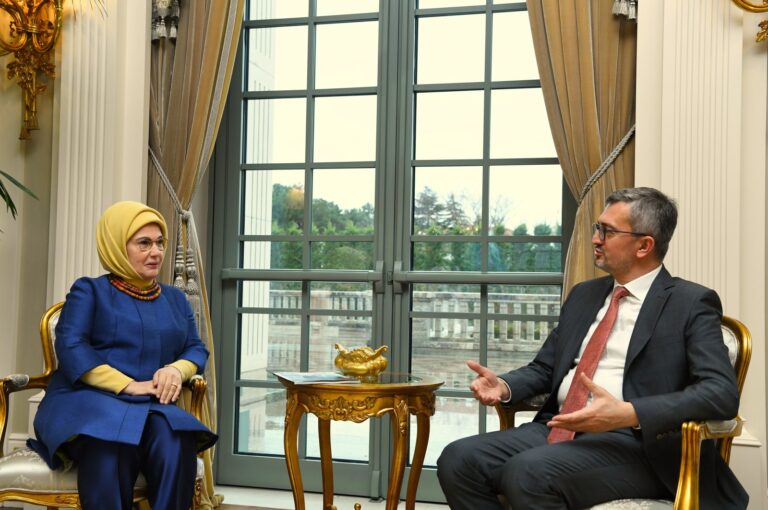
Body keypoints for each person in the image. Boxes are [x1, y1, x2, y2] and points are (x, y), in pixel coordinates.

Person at [436, 187, 748, 509]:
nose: (596, 239)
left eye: (607, 231)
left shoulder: (690, 302)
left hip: (639, 446)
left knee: (528, 473)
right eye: (598, 228)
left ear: (644, 245)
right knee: (459, 460)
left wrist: (630, 413)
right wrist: (504, 386)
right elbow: (546, 368)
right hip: (560, 426)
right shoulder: (584, 295)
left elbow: (720, 393)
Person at [28, 201, 217, 510]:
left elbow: (195, 348)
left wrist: (176, 370)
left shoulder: (175, 299)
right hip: (88, 403)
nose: (156, 252)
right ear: (116, 246)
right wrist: (128, 385)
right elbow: (72, 347)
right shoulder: (89, 291)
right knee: (112, 443)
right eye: (144, 243)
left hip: (150, 407)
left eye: (159, 243)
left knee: (176, 440)